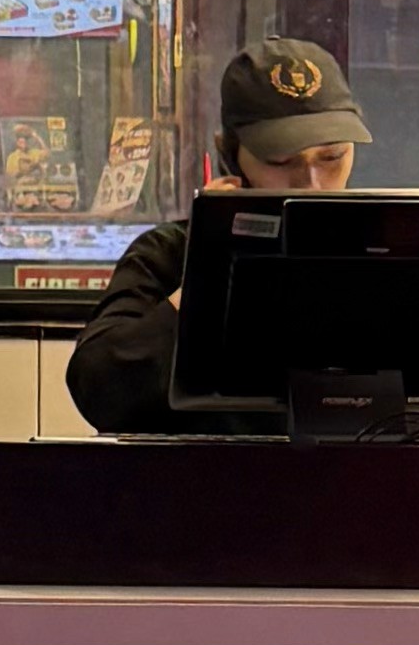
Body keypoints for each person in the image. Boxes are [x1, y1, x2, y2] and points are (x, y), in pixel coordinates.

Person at [65, 33, 370, 431]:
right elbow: (99, 387)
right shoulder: (172, 255)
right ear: (230, 155)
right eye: (281, 160)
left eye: (332, 157)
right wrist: (212, 265)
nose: (311, 182)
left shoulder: (386, 247)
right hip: (205, 478)